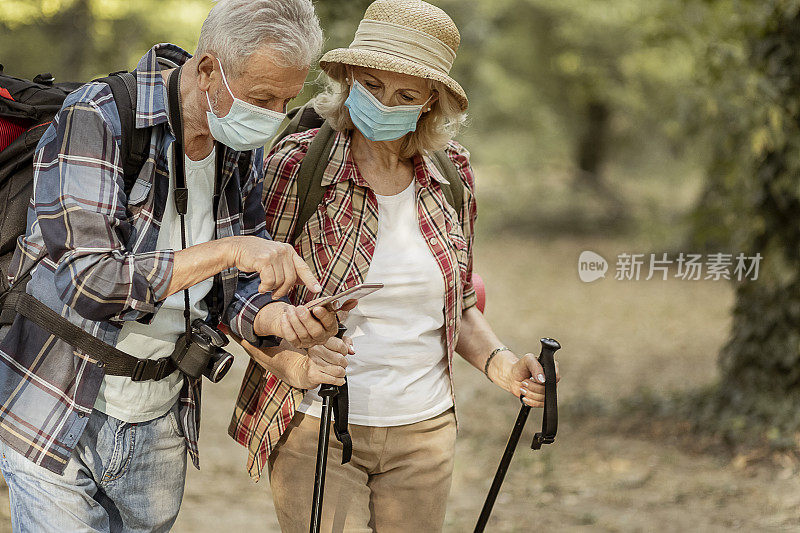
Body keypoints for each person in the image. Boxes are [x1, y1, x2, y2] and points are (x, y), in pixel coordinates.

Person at [0, 1, 340, 531]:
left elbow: (232, 292)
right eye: (261, 98)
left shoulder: (236, 147)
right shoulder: (99, 117)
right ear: (207, 70)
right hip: (55, 404)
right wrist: (230, 251)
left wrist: (283, 324)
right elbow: (89, 281)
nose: (274, 117)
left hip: (160, 411)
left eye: (287, 100)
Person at [229, 1, 562, 531]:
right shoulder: (297, 166)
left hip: (424, 435)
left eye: (406, 95)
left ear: (431, 103)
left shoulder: (454, 177)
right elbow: (238, 297)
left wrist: (503, 366)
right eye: (372, 85)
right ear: (349, 80)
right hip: (317, 424)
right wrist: (290, 361)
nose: (386, 104)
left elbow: (462, 308)